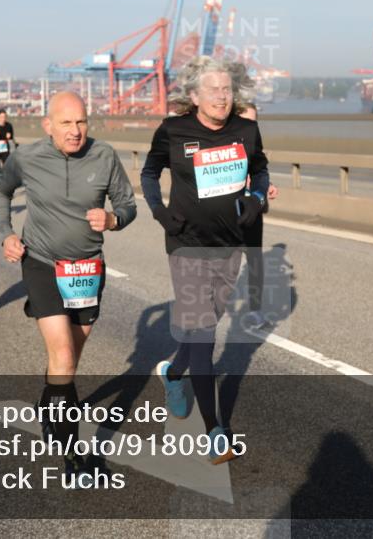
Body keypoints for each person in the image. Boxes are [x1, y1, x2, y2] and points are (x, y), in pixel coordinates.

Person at [0, 91, 136, 483]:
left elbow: (128, 204)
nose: (75, 131)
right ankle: (72, 456)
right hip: (42, 263)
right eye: (67, 123)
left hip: (88, 269)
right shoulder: (27, 157)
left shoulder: (104, 155)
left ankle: (49, 399)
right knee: (64, 357)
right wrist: (5, 233)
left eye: (82, 122)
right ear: (48, 125)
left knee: (68, 360)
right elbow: (0, 189)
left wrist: (113, 220)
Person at [140, 56, 269, 465]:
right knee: (205, 334)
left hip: (228, 247)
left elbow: (261, 170)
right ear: (194, 96)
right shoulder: (173, 130)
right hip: (186, 244)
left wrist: (256, 197)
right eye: (213, 90)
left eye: (227, 90)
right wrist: (159, 211)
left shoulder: (246, 131)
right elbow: (149, 171)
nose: (222, 97)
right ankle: (214, 429)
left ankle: (173, 373)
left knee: (203, 326)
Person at [235, 102, 279, 326]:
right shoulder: (223, 145)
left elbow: (259, 172)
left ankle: (255, 310)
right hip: (226, 214)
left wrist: (266, 186)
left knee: (254, 260)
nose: (251, 125)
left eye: (255, 121)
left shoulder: (254, 144)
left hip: (251, 212)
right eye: (247, 121)